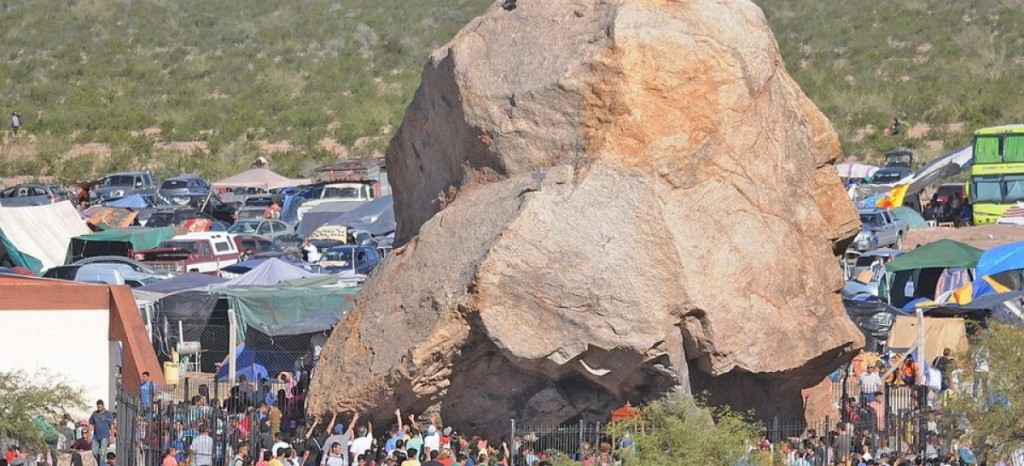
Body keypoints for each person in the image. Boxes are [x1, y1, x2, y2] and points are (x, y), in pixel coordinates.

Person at [89, 400, 115, 466]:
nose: (99, 408)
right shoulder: (95, 414)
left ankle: (101, 464)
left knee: (102, 453)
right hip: (96, 436)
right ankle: (100, 463)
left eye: (100, 407)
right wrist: (88, 435)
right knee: (94, 452)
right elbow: (91, 424)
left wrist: (112, 437)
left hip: (105, 436)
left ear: (103, 406)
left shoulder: (108, 414)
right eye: (98, 407)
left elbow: (112, 426)